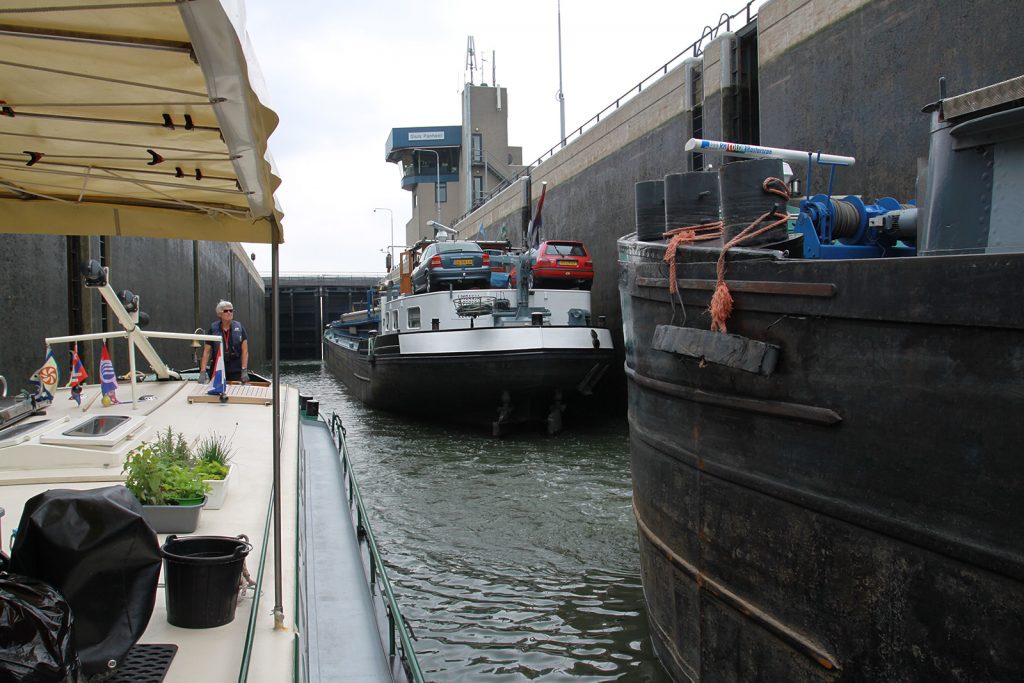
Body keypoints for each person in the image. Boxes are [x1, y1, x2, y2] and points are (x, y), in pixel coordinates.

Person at [199, 300, 249, 383]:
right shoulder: (213, 329)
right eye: (226, 311)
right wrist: (203, 371)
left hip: (236, 369)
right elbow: (207, 351)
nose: (229, 312)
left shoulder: (240, 328)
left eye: (231, 310)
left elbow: (245, 351)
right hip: (218, 368)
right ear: (219, 314)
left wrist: (244, 370)